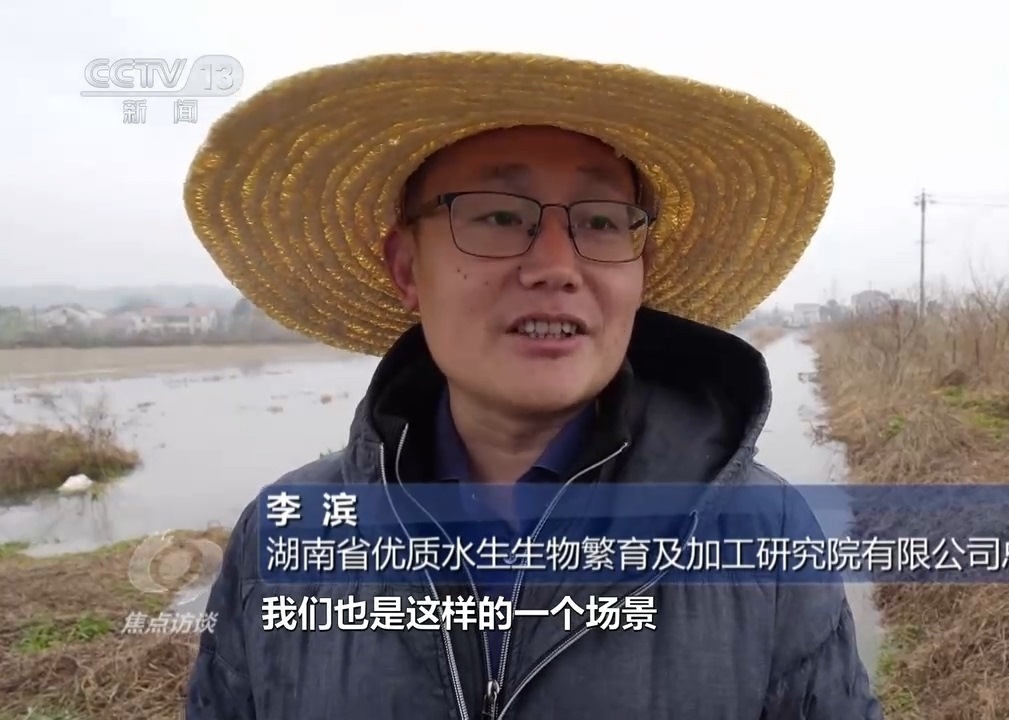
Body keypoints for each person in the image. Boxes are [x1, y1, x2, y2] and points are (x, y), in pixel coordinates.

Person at [183, 51, 882, 719]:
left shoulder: (766, 536)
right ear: (407, 268)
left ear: (641, 272)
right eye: (498, 215)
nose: (555, 266)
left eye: (601, 222)